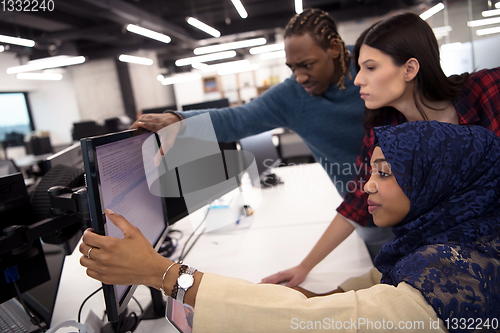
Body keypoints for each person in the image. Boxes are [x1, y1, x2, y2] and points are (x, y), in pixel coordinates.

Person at [80, 121, 500, 332]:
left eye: (385, 173)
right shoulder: (448, 235)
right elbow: (377, 282)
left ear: (437, 179)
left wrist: (164, 274)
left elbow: (318, 324)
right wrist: (323, 293)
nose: (367, 185)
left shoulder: (458, 277)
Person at [132, 8, 394, 263]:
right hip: (365, 211)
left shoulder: (371, 72)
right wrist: (181, 121)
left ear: (334, 50)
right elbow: (239, 119)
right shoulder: (292, 95)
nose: (300, 77)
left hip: (413, 199)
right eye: (292, 67)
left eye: (308, 65)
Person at [263, 12, 500, 287]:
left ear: (409, 69)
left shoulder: (488, 90)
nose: (357, 80)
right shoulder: (385, 131)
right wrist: (304, 267)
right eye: (359, 68)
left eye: (371, 68)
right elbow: (356, 204)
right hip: (450, 265)